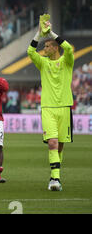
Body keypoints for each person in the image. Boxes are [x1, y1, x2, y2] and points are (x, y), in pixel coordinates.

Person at [27, 20, 74, 191]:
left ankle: (54, 176)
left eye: (47, 46)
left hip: (65, 107)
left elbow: (68, 48)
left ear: (55, 47)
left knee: (60, 145)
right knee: (53, 143)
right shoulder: (43, 63)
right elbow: (30, 51)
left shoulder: (67, 61)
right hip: (48, 108)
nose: (44, 49)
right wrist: (40, 33)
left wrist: (52, 33)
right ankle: (56, 180)